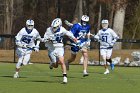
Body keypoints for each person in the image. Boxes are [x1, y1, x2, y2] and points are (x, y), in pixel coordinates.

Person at [43, 18, 77, 83]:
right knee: (55, 65)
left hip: (59, 47)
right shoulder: (49, 30)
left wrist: (74, 38)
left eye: (55, 27)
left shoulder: (62, 29)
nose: (53, 28)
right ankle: (52, 64)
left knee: (62, 61)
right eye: (53, 27)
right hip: (51, 48)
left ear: (59, 26)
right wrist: (48, 39)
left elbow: (68, 33)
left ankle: (65, 77)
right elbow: (44, 39)